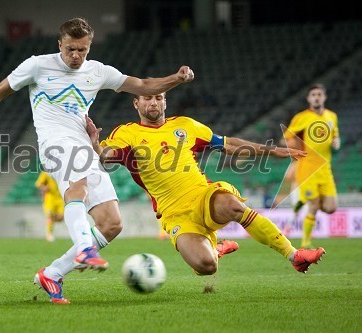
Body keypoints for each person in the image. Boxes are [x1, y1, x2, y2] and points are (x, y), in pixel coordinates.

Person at [0, 18, 194, 304]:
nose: (76, 56)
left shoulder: (98, 72)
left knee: (111, 223)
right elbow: (2, 89)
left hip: (83, 146)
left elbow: (143, 85)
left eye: (82, 50)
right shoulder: (37, 65)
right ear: (60, 44)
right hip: (54, 143)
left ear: (89, 47)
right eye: (70, 49)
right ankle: (84, 246)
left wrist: (176, 79)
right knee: (78, 185)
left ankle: (53, 273)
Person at [85, 91, 326, 278]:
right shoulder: (127, 133)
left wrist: (272, 151)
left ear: (165, 102)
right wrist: (98, 147)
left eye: (159, 98)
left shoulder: (186, 126)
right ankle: (215, 250)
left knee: (232, 206)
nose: (154, 103)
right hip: (174, 213)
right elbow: (108, 155)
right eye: (147, 98)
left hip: (203, 195)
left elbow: (228, 144)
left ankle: (294, 254)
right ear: (136, 104)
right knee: (206, 266)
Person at [283, 83, 340, 248]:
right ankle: (305, 244)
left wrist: (336, 142)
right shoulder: (301, 117)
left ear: (324, 97)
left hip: (326, 169)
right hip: (307, 168)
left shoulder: (332, 117)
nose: (316, 97)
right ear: (309, 98)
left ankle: (303, 199)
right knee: (314, 206)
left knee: (330, 208)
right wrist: (295, 146)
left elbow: (335, 136)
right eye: (313, 94)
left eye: (319, 94)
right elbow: (288, 137)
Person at [35, 171, 64, 242]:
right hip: (50, 198)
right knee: (50, 215)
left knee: (61, 218)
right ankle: (49, 235)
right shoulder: (46, 172)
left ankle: (49, 221)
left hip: (60, 198)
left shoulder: (62, 171)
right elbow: (38, 184)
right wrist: (44, 188)